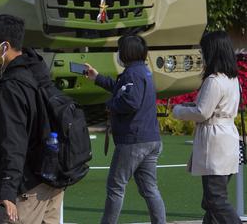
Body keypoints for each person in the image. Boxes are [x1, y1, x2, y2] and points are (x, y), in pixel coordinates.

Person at [0, 14, 63, 224]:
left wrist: (6, 191)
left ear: (5, 46)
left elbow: (13, 141)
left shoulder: (11, 86)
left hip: (26, 186)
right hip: (51, 175)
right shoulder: (36, 68)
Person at [84, 34, 165, 224]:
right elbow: (123, 90)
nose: (118, 53)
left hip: (133, 140)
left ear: (126, 53)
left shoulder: (131, 74)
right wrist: (98, 78)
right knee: (149, 188)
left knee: (116, 187)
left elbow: (130, 101)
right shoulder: (143, 71)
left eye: (119, 49)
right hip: (150, 138)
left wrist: (110, 104)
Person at [172, 30, 241, 223]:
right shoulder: (231, 79)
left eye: (204, 51)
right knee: (212, 199)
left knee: (215, 199)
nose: (202, 55)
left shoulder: (214, 80)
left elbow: (202, 112)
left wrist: (178, 111)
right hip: (227, 136)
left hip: (215, 139)